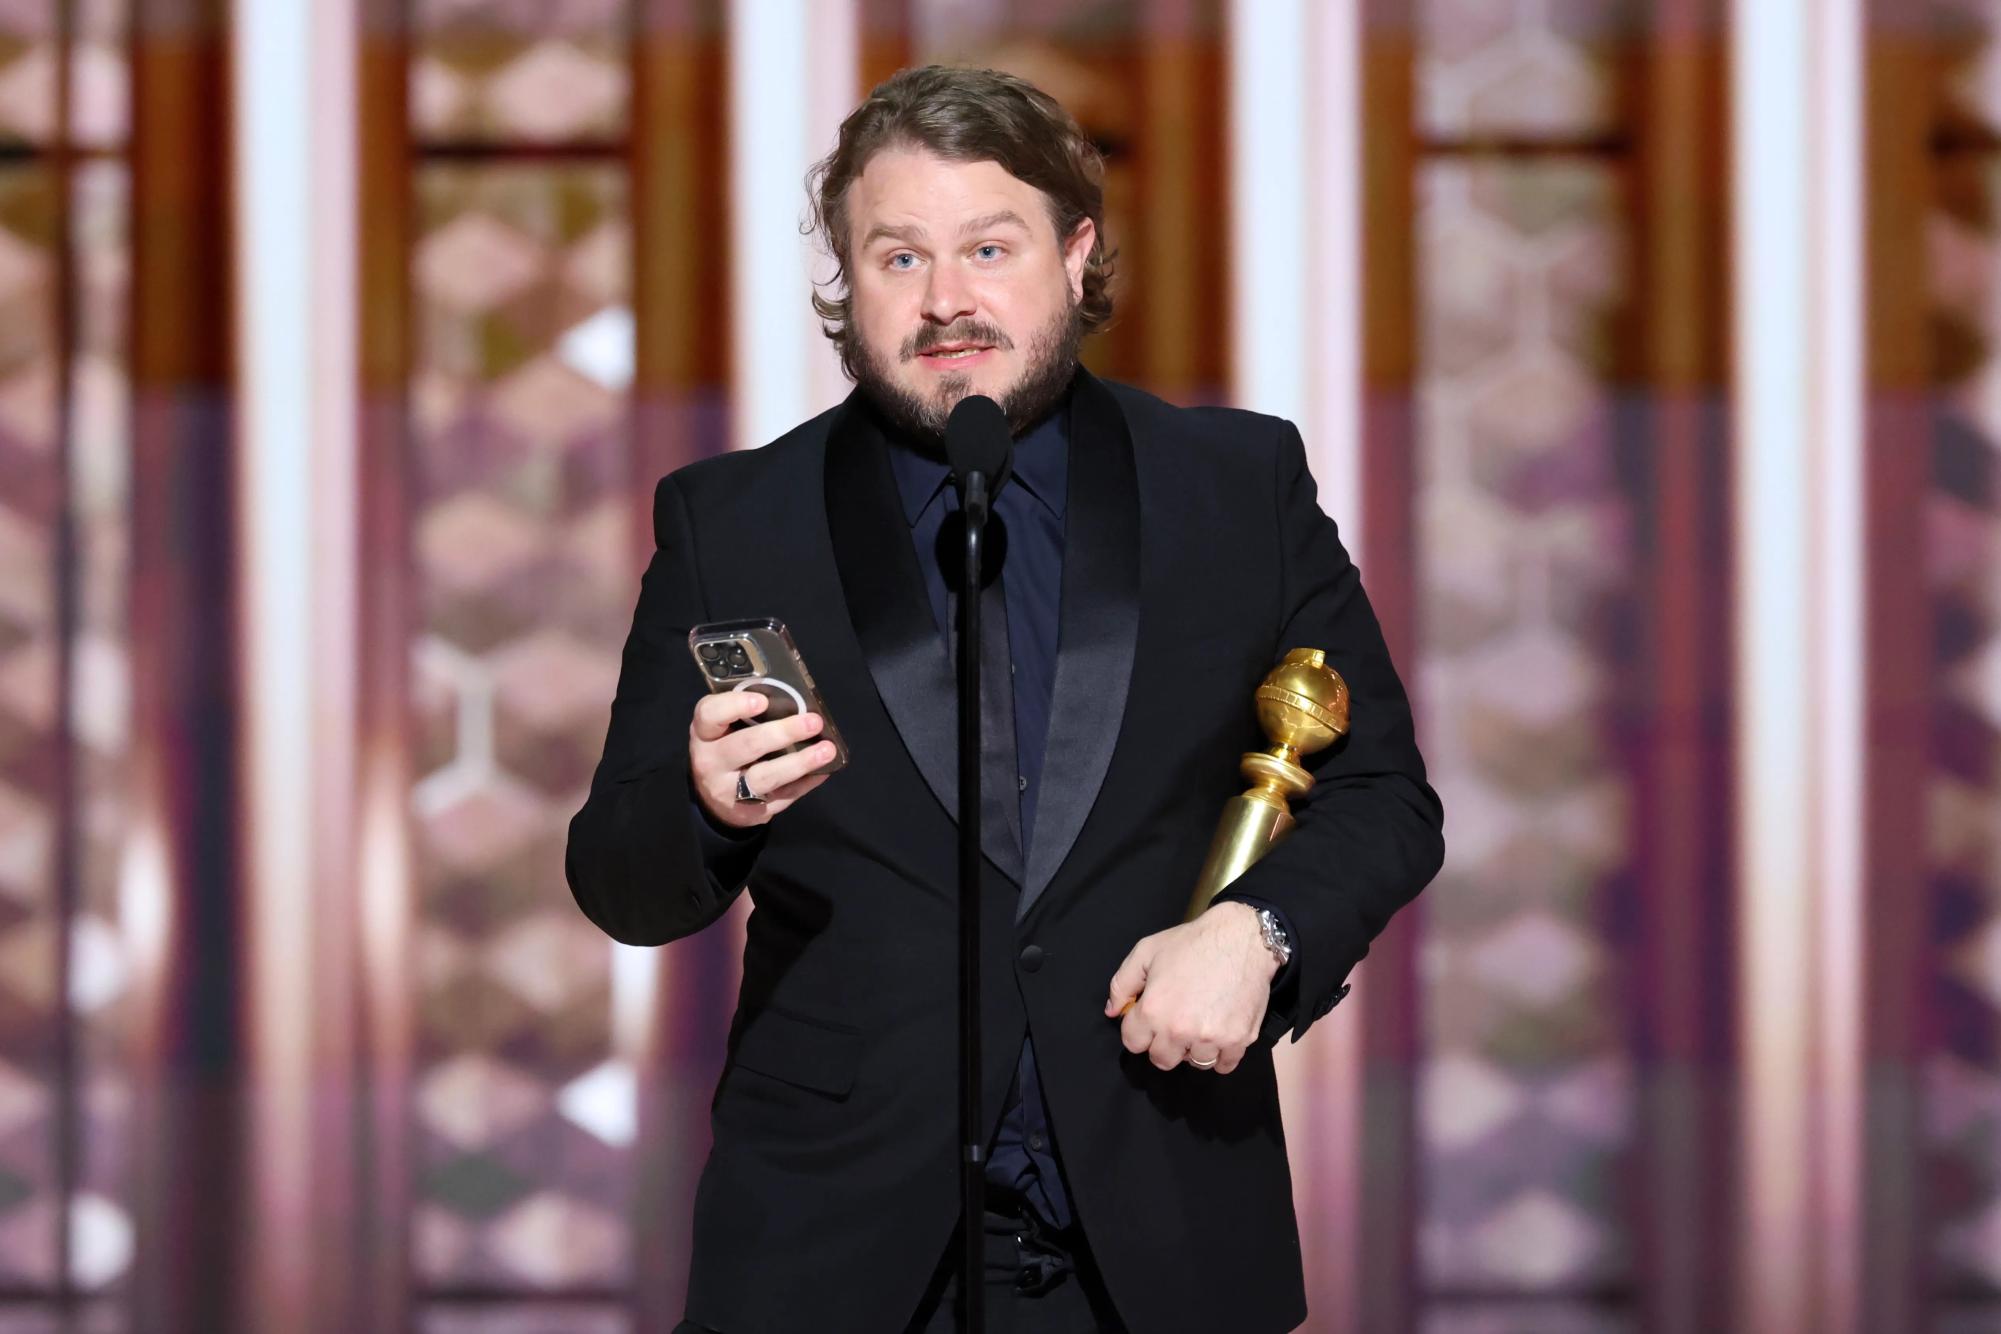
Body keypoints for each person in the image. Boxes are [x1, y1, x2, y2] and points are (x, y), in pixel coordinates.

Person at [566, 63, 1444, 1334]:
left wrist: (1260, 933)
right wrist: (706, 804)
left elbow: (1382, 797)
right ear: (847, 281)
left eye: (990, 245)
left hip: (1161, 1231)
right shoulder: (733, 522)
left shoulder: (1236, 485)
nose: (948, 300)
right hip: (832, 1255)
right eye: (900, 256)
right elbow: (619, 879)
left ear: (1077, 256)